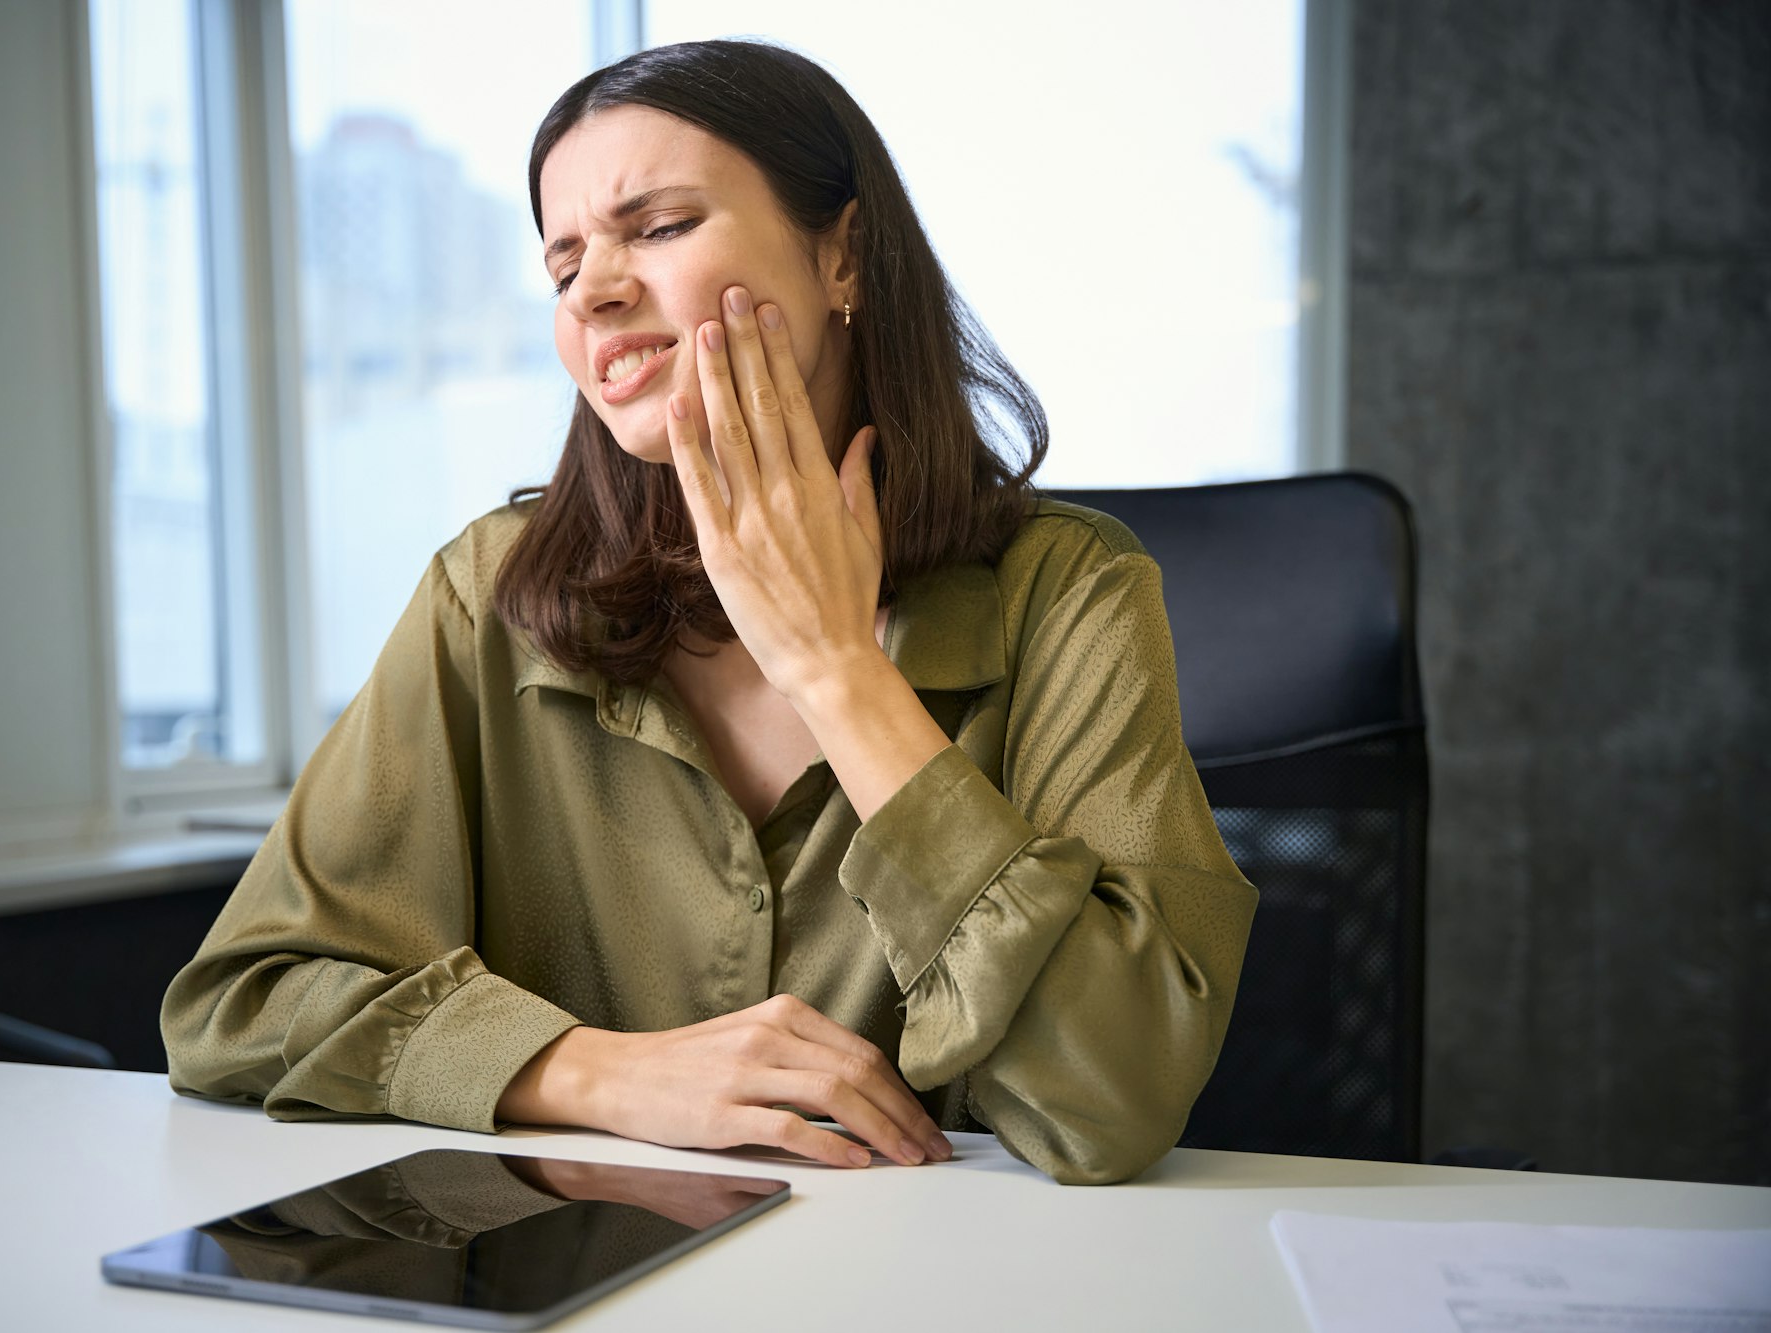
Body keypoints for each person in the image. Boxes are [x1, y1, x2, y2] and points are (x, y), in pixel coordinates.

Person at [162, 39, 1257, 1186]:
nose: (594, 289)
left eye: (661, 226)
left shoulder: (1068, 592)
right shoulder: (484, 595)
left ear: (842, 255)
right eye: (563, 263)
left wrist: (836, 668)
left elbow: (1114, 1105)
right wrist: (595, 1072)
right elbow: (242, 1001)